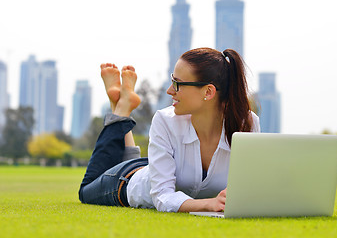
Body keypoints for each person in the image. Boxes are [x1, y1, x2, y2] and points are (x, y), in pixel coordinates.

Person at [78, 47, 260, 213]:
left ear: (208, 92)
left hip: (155, 170)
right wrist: (209, 203)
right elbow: (162, 196)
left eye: (177, 84)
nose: (169, 91)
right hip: (126, 181)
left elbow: (249, 187)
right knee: (86, 190)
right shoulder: (165, 120)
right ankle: (121, 108)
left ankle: (122, 105)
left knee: (150, 170)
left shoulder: (247, 124)